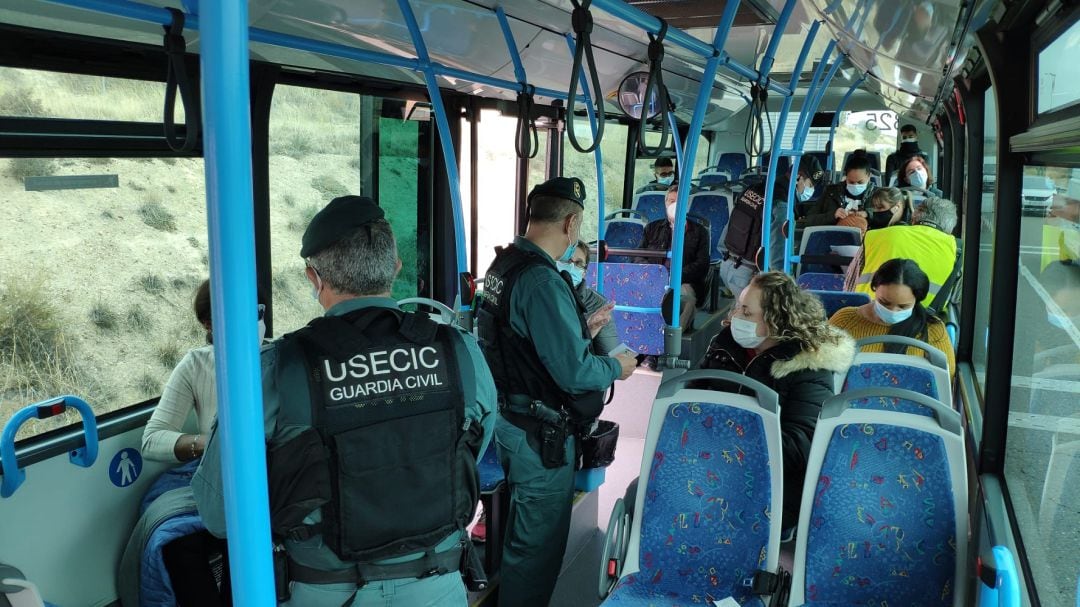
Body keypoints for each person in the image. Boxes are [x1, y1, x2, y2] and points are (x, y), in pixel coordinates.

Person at [193, 196, 497, 606]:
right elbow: (471, 450)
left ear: (313, 278)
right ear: (395, 267)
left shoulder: (279, 369)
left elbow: (218, 513)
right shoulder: (458, 351)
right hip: (438, 585)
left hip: (327, 592)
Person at [476, 176, 637, 607]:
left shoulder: (502, 266)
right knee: (536, 552)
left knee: (521, 535)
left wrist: (578, 330)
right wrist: (616, 366)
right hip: (540, 433)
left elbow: (521, 342)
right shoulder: (544, 281)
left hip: (509, 418)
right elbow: (576, 373)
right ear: (571, 223)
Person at [697, 272, 855, 530]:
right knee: (642, 492)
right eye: (738, 308)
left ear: (775, 320)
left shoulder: (808, 366)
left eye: (747, 313)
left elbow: (800, 443)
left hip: (773, 478)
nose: (736, 318)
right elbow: (691, 395)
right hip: (712, 462)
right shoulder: (725, 345)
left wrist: (730, 444)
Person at [142, 279, 267, 463]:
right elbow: (151, 440)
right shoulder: (196, 365)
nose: (248, 322)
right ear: (209, 324)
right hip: (221, 473)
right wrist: (211, 443)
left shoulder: (282, 357)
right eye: (235, 314)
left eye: (255, 312)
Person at [719, 155, 824, 297]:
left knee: (740, 314)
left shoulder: (756, 189)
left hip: (727, 264)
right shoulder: (782, 205)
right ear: (798, 178)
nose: (809, 191)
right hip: (746, 274)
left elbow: (729, 227)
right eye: (810, 185)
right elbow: (778, 256)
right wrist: (787, 288)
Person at [830, 258, 956, 377]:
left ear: (917, 300)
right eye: (884, 303)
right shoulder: (845, 321)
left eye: (903, 306)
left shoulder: (932, 329)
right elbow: (823, 368)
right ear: (874, 288)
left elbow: (945, 378)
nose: (893, 311)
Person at [844, 197, 959, 305]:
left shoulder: (876, 236)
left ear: (914, 217)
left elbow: (850, 283)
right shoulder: (956, 250)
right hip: (925, 320)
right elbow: (955, 298)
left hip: (871, 311)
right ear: (949, 229)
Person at [634, 182, 711, 329]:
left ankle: (673, 342)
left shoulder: (699, 232)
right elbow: (638, 255)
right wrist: (654, 273)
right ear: (665, 203)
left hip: (683, 281)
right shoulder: (652, 228)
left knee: (687, 302)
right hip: (654, 278)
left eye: (678, 201)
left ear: (686, 205)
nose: (674, 205)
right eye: (671, 201)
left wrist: (674, 276)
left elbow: (702, 265)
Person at [561, 240, 620, 356]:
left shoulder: (597, 304)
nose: (571, 266)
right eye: (567, 260)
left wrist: (589, 330)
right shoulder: (539, 295)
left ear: (583, 273)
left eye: (578, 263)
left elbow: (611, 356)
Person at [799, 149, 876, 227]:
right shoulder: (831, 192)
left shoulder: (877, 195)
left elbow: (886, 219)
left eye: (860, 182)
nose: (855, 185)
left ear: (869, 176)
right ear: (845, 177)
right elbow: (809, 219)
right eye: (851, 182)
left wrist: (868, 214)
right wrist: (833, 215)